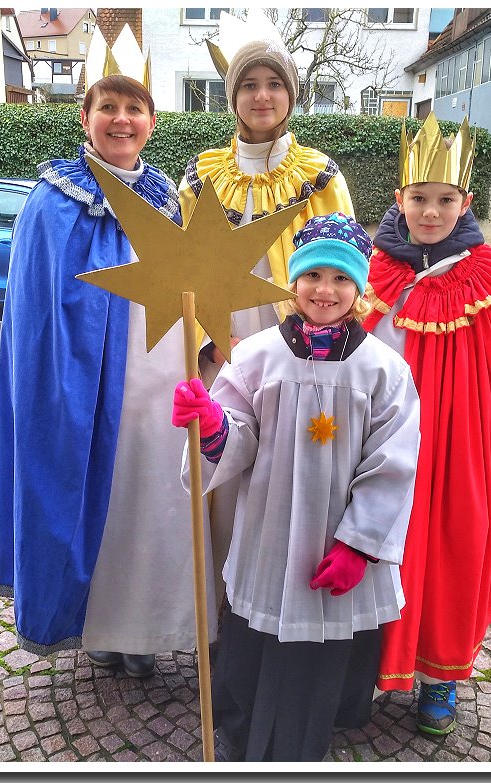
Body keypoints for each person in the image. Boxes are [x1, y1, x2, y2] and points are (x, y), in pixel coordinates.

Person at [0, 61, 218, 677]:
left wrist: (202, 347)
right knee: (94, 496)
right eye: (108, 106)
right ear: (85, 117)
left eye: (134, 107)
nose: (122, 119)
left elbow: (188, 286)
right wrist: (69, 379)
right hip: (83, 380)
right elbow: (38, 310)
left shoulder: (168, 197)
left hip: (157, 379)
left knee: (149, 503)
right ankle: (95, 626)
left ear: (152, 120)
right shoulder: (55, 200)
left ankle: (138, 629)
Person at [171, 213, 420, 761]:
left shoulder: (384, 370)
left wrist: (360, 543)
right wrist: (211, 424)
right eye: (312, 276)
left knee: (318, 650)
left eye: (340, 278)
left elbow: (393, 462)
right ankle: (241, 734)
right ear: (294, 281)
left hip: (335, 536)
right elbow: (236, 436)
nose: (324, 290)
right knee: (250, 644)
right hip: (270, 527)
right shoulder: (257, 355)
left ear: (358, 287)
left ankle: (303, 744)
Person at [179, 17, 356, 606]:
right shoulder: (202, 174)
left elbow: (347, 268)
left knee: (288, 471)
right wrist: (207, 339)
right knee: (223, 476)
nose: (261, 95)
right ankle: (227, 623)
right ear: (232, 97)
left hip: (296, 346)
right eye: (248, 83)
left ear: (291, 95)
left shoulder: (318, 173)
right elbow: (183, 263)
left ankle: (281, 610)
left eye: (274, 84)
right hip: (221, 343)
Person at [363, 114, 491, 734]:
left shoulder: (486, 275)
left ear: (464, 202)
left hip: (455, 442)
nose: (431, 212)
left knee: (448, 548)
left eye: (446, 200)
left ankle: (440, 679)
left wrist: (478, 442)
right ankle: (369, 668)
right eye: (419, 199)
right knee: (377, 545)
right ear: (399, 199)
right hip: (381, 440)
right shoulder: (376, 268)